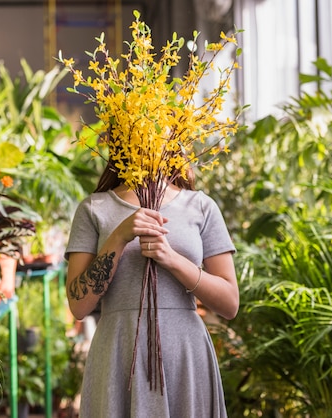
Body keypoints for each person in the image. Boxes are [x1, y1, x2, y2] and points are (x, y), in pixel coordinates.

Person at [65, 160, 239, 417]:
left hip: (186, 358)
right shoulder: (93, 208)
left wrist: (173, 260)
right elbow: (79, 306)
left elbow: (230, 303)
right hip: (118, 355)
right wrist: (119, 236)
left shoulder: (201, 206)